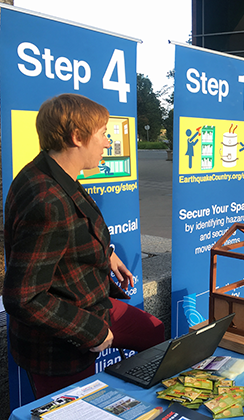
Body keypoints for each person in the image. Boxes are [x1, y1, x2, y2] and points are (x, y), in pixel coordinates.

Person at [3, 93, 165, 398]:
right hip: (60, 341)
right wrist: (92, 332)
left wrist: (107, 254)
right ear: (77, 137)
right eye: (103, 134)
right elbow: (22, 298)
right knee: (79, 408)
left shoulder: (53, 172)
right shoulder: (46, 200)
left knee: (153, 332)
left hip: (90, 305)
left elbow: (73, 231)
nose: (107, 143)